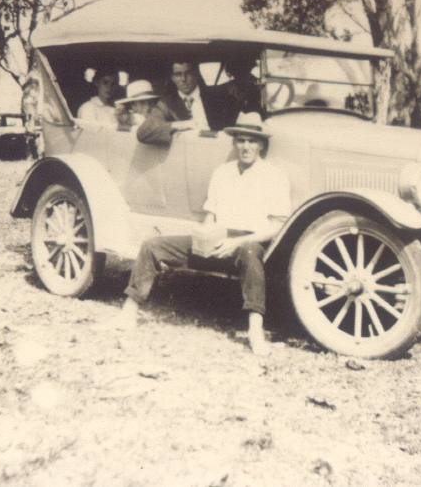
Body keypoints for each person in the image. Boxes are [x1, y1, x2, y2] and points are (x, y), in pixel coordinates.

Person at [112, 112, 291, 356]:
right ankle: (129, 311)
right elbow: (211, 214)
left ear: (261, 144)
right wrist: (206, 236)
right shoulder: (222, 172)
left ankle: (255, 331)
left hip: (248, 241)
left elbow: (277, 227)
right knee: (152, 245)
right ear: (234, 143)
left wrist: (237, 242)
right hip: (217, 239)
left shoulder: (274, 176)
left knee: (250, 256)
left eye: (251, 141)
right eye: (240, 140)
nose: (246, 146)